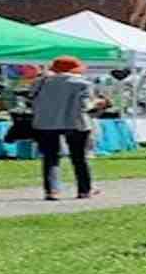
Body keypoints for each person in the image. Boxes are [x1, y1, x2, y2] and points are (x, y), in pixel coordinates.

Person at [30, 56, 102, 201]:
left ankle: (52, 190)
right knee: (79, 158)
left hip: (46, 123)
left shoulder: (40, 82)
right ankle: (84, 190)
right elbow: (85, 106)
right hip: (75, 123)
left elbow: (31, 98)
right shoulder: (82, 83)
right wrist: (99, 103)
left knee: (50, 158)